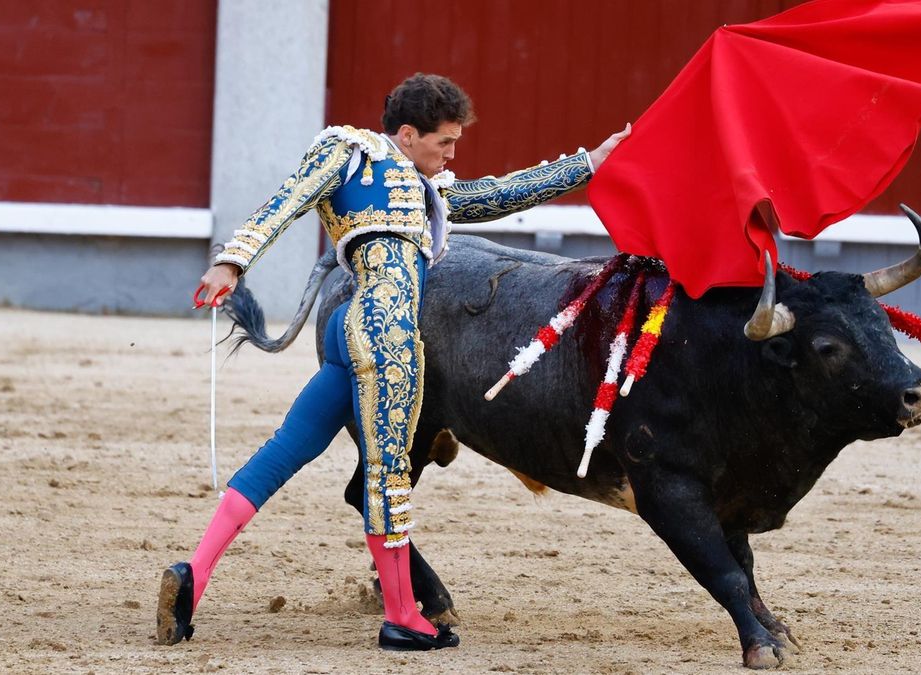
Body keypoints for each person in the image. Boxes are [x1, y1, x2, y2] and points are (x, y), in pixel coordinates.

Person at [156, 73, 630, 651]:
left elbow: (507, 191)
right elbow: (287, 199)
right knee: (389, 476)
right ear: (407, 134)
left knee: (286, 449)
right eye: (444, 142)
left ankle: (195, 574)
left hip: (344, 328)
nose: (452, 154)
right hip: (386, 331)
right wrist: (232, 263)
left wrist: (588, 164)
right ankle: (404, 616)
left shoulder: (421, 186)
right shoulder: (349, 149)